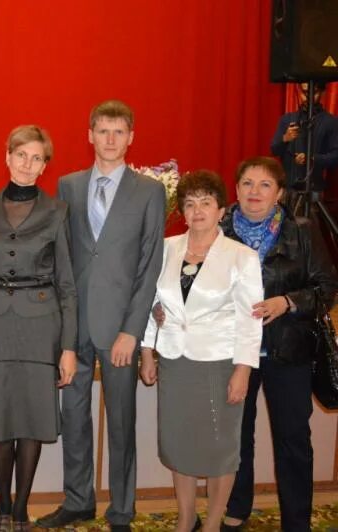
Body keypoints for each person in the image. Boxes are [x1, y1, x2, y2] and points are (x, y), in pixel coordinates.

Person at [37, 100, 165, 531]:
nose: (110, 139)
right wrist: (62, 330)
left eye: (119, 132)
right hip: (75, 326)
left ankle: (122, 509)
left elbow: (149, 266)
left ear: (131, 137)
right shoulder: (69, 186)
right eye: (103, 131)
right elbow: (65, 260)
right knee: (73, 418)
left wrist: (133, 330)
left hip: (120, 329)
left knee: (122, 422)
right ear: (89, 135)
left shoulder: (149, 191)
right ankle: (77, 500)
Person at [139, 170, 263, 532]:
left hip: (220, 363)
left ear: (222, 210)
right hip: (176, 361)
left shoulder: (242, 257)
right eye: (190, 204)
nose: (197, 211)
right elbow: (152, 303)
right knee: (180, 445)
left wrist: (243, 369)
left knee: (220, 447)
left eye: (206, 203)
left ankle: (211, 522)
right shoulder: (167, 248)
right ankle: (185, 517)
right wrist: (148, 351)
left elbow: (250, 319)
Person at [219, 157, 338, 531]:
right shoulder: (218, 229)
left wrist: (287, 302)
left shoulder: (301, 229)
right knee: (237, 438)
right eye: (247, 184)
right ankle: (235, 510)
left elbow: (327, 288)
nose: (255, 192)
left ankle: (296, 521)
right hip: (234, 352)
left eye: (264, 185)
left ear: (280, 193)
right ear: (236, 189)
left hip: (289, 352)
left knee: (293, 441)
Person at [0, 125, 77, 532]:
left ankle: (20, 509)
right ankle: (0, 504)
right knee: (1, 417)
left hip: (40, 326)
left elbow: (67, 284)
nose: (27, 165)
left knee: (31, 419)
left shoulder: (58, 212)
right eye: (21, 155)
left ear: (45, 165)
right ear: (7, 157)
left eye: (37, 158)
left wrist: (68, 347)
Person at [271, 82, 338, 195]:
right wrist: (285, 139)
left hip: (314, 190)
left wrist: (312, 159)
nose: (309, 97)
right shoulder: (287, 119)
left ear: (322, 93)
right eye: (305, 92)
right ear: (299, 92)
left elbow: (335, 157)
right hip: (286, 190)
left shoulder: (331, 122)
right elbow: (274, 149)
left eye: (314, 92)